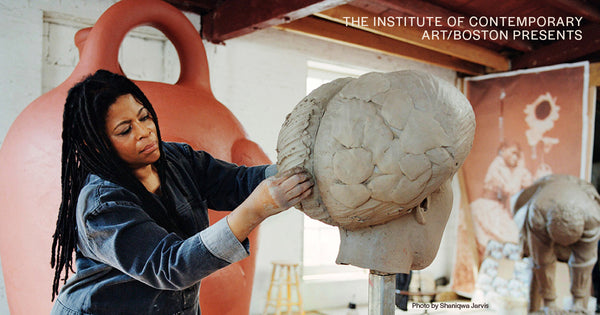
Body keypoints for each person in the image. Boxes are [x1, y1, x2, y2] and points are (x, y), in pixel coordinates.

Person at [50, 70, 313, 314]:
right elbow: (170, 267)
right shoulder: (102, 204)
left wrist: (297, 170)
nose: (144, 132)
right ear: (96, 145)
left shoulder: (176, 159)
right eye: (125, 130)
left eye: (144, 117)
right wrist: (254, 210)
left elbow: (237, 182)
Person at [470, 141, 533, 259]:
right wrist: (520, 168)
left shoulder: (510, 169)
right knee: (509, 241)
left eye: (518, 155)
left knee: (512, 242)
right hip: (487, 208)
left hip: (499, 209)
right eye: (513, 153)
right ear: (503, 150)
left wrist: (520, 167)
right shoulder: (498, 165)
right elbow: (511, 189)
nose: (515, 157)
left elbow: (528, 183)